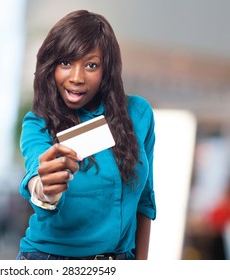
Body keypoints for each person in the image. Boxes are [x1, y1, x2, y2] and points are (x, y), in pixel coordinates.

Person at [17, 10, 156, 260]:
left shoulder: (139, 113)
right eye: (66, 63)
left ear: (107, 70)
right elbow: (37, 179)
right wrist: (45, 188)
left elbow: (145, 200)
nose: (77, 78)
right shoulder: (39, 124)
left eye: (91, 65)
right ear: (51, 67)